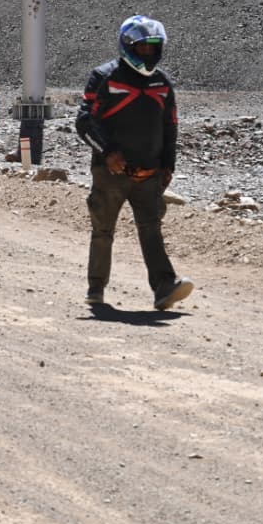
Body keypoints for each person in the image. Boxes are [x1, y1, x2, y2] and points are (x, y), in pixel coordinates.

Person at [75, 15, 193, 310]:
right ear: (127, 46)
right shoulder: (104, 77)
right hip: (111, 172)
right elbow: (84, 120)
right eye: (142, 48)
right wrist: (108, 152)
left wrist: (169, 165)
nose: (148, 53)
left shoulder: (161, 82)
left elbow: (171, 125)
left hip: (149, 172)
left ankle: (165, 288)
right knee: (103, 229)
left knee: (151, 228)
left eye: (153, 48)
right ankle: (96, 289)